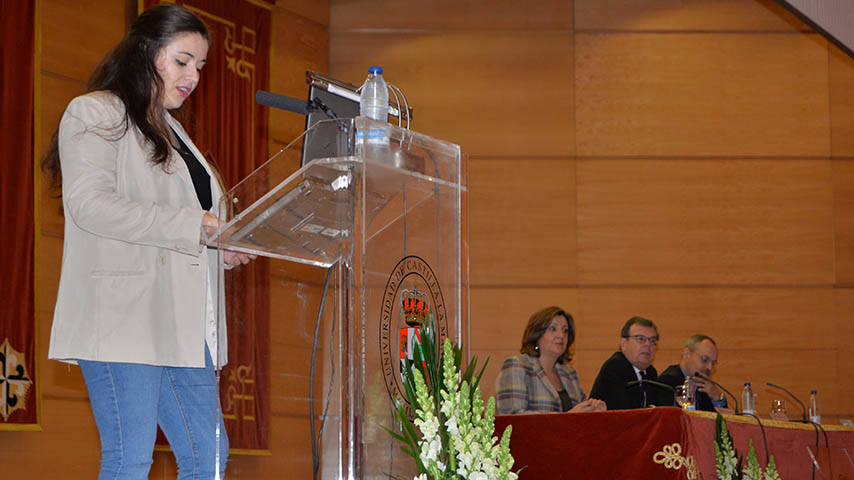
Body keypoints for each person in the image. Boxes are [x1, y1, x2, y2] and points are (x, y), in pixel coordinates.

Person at [42, 5, 253, 479]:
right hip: (125, 319)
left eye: (200, 66)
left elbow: (194, 226)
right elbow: (89, 205)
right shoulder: (95, 112)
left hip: (184, 325)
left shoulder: (175, 131)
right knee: (129, 460)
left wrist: (227, 244)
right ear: (146, 52)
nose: (194, 76)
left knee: (208, 462)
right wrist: (195, 226)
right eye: (182, 61)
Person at [495, 306, 606, 414]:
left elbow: (580, 413)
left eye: (565, 330)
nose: (561, 335)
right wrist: (566, 418)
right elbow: (513, 418)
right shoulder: (517, 366)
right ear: (537, 334)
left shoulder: (569, 374)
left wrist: (593, 410)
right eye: (553, 329)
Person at [589, 316, 671, 410]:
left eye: (652, 341)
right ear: (623, 343)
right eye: (640, 339)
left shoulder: (650, 372)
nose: (648, 344)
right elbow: (626, 410)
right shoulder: (615, 367)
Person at [658, 334, 727, 412]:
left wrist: (718, 398)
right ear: (687, 354)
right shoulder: (668, 382)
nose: (709, 367)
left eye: (713, 363)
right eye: (704, 359)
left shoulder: (706, 387)